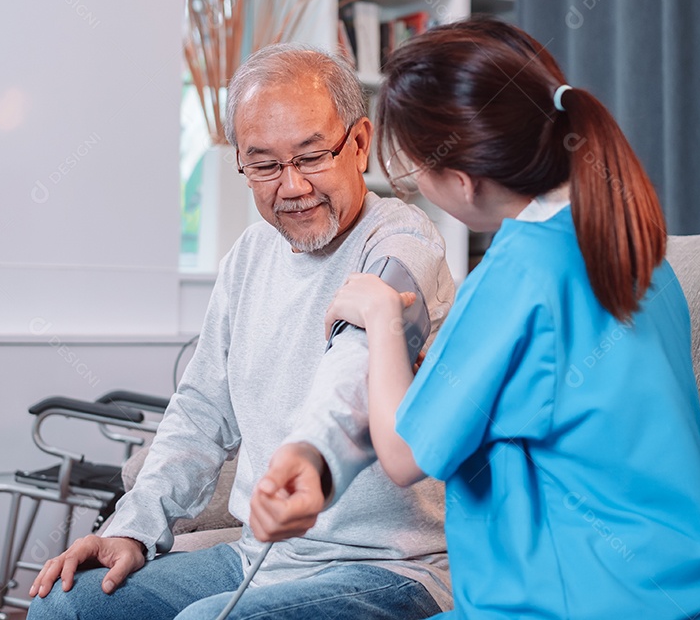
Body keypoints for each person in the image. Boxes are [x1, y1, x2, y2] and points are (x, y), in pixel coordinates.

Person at [255, 18, 700, 619]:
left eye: (418, 173)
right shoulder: (635, 247)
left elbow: (406, 456)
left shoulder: (516, 274)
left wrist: (382, 320)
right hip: (695, 597)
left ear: (461, 180)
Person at [26, 44, 457, 619]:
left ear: (358, 144)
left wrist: (310, 463)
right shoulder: (248, 257)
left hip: (391, 569)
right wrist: (132, 528)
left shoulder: (403, 244)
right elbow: (202, 412)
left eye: (311, 157)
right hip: (261, 556)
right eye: (265, 165)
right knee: (68, 607)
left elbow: (355, 373)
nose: (293, 186)